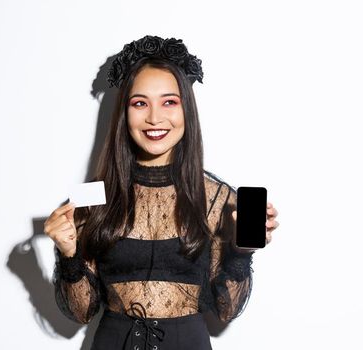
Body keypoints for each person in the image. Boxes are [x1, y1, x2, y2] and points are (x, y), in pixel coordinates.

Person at [43, 35, 281, 350]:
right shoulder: (91, 199)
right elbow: (80, 313)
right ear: (124, 113)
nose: (155, 118)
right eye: (140, 103)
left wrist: (241, 252)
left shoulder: (218, 200)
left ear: (187, 111)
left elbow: (227, 310)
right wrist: (68, 254)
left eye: (169, 102)